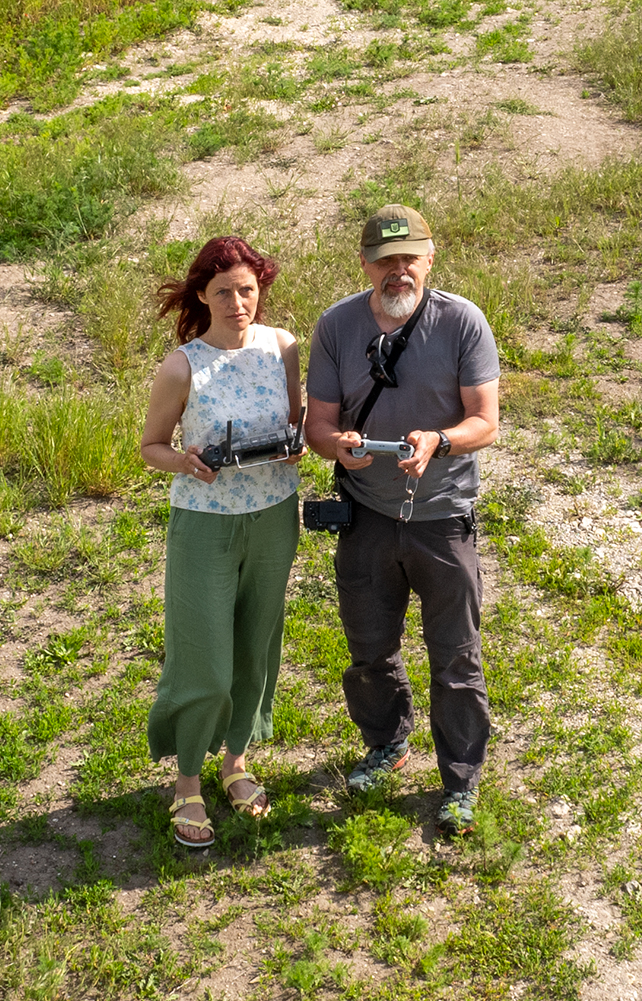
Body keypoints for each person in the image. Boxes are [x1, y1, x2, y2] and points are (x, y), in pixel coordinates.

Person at [305, 205, 500, 834]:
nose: (398, 272)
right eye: (385, 260)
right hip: (365, 517)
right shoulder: (336, 327)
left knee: (456, 657)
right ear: (364, 263)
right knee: (368, 649)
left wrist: (438, 442)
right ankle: (386, 742)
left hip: (443, 519)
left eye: (409, 258)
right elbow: (318, 424)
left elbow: (485, 422)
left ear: (430, 257)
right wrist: (337, 446)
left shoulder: (462, 322)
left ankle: (460, 782)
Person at [140, 236, 304, 849]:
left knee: (256, 642)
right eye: (223, 292)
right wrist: (186, 463)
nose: (238, 303)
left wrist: (297, 444)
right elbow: (150, 445)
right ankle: (187, 782)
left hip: (273, 515)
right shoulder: (183, 364)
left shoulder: (283, 346)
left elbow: (295, 423)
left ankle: (236, 762)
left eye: (247, 290)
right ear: (201, 297)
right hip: (204, 523)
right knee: (203, 657)